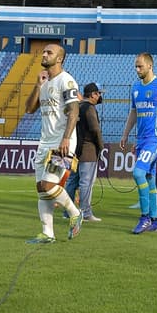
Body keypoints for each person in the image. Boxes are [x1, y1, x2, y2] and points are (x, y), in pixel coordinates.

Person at [22, 43, 85, 244]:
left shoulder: (66, 81)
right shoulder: (46, 82)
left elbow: (74, 111)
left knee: (48, 185)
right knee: (41, 190)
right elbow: (29, 109)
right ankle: (47, 233)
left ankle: (75, 213)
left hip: (61, 142)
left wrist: (66, 138)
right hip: (44, 143)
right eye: (44, 51)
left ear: (59, 58)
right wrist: (38, 86)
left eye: (49, 52)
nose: (45, 54)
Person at [119, 53, 157, 234]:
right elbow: (133, 113)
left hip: (155, 140)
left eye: (140, 66)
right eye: (136, 66)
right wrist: (125, 134)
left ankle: (144, 217)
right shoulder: (136, 87)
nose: (137, 70)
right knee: (150, 179)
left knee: (138, 173)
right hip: (142, 140)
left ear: (150, 66)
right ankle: (155, 219)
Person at [64, 82, 103, 222]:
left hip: (76, 150)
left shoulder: (78, 107)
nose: (99, 96)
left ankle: (67, 211)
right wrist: (101, 146)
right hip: (89, 151)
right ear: (93, 94)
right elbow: (95, 129)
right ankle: (85, 212)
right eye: (98, 93)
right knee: (86, 182)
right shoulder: (90, 108)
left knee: (72, 181)